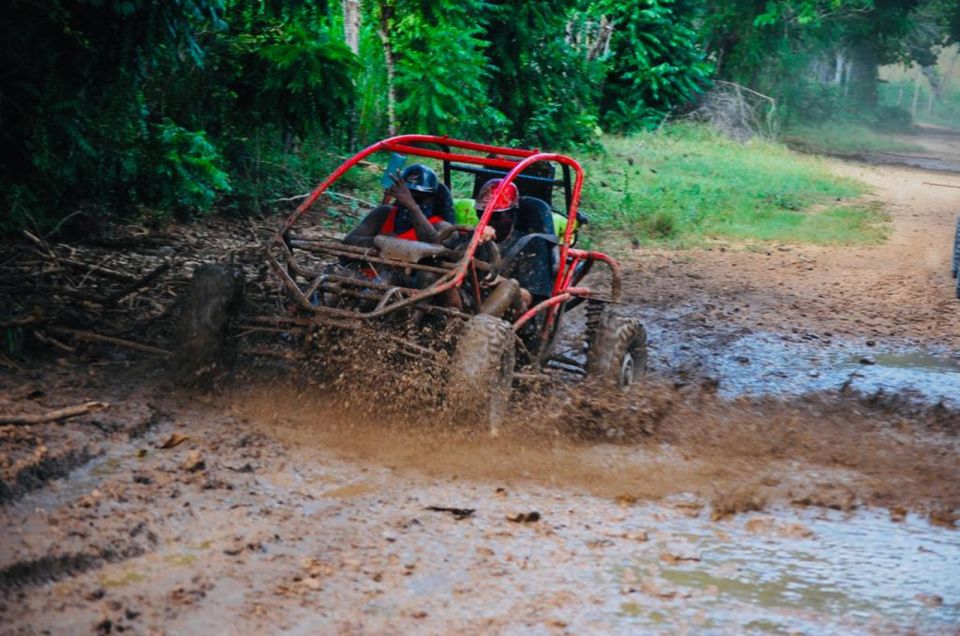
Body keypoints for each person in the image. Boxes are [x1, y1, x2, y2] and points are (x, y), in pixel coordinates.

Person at [343, 164, 454, 247]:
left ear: (430, 199)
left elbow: (435, 249)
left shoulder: (443, 227)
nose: (407, 201)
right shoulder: (384, 213)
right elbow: (348, 242)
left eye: (417, 198)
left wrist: (413, 207)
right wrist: (378, 241)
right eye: (406, 196)